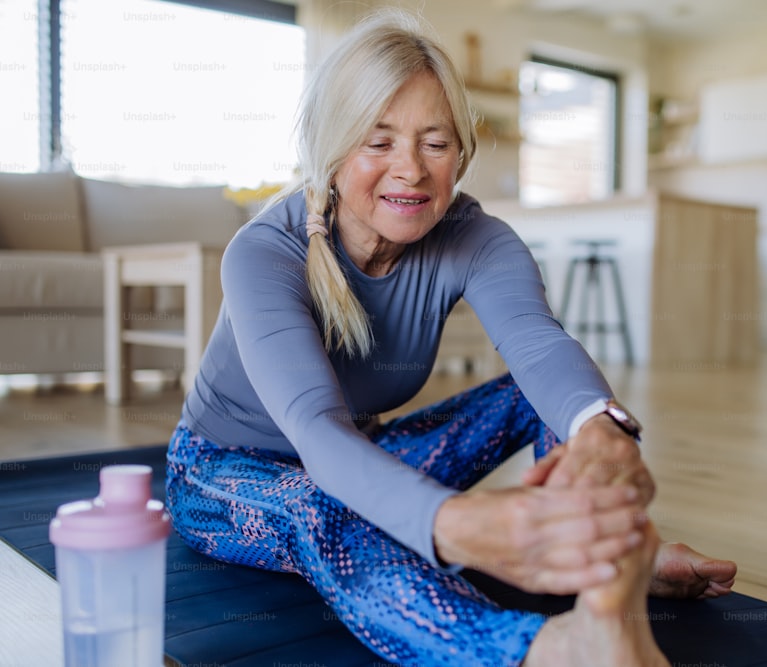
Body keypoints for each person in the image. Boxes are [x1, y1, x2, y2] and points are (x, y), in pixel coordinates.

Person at [165, 9, 736, 667]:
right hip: (221, 472)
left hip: (361, 450)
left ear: (460, 153)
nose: (410, 169)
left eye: (434, 143)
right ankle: (544, 650)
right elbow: (316, 431)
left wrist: (604, 430)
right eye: (378, 142)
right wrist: (457, 525)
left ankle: (609, 556)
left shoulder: (475, 236)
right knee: (326, 504)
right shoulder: (262, 251)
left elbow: (540, 348)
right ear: (330, 148)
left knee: (557, 402)